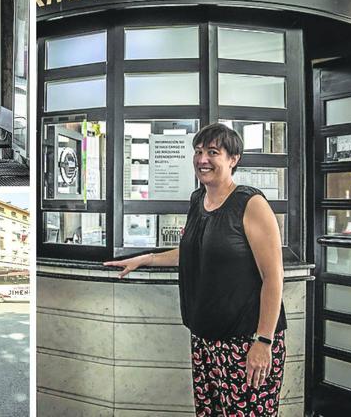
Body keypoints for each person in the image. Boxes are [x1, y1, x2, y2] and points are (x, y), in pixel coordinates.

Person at [105, 123, 287, 416]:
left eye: (213, 152)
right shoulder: (197, 200)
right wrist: (148, 258)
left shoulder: (250, 204)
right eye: (199, 151)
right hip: (205, 338)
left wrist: (263, 341)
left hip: (246, 341)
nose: (202, 159)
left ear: (233, 158)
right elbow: (195, 250)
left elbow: (273, 276)